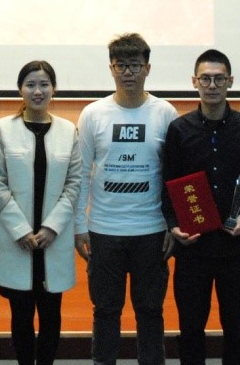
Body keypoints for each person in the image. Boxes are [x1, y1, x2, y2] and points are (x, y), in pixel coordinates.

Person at [75, 33, 179, 365]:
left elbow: (174, 175)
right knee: (106, 310)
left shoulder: (165, 112)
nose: (128, 72)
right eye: (121, 65)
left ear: (147, 68)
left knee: (150, 310)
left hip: (151, 230)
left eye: (135, 65)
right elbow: (80, 173)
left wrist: (172, 225)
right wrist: (79, 226)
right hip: (104, 230)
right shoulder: (93, 114)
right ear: (111, 69)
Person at [162, 49, 240, 365]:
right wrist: (173, 225)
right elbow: (167, 183)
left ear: (230, 81)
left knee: (237, 329)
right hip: (192, 248)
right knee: (191, 329)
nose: (212, 85)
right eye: (205, 79)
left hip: (235, 247)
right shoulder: (179, 130)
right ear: (194, 82)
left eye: (219, 79)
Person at [0, 60, 83, 365]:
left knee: (52, 314)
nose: (37, 91)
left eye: (44, 84)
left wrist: (52, 227)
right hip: (17, 241)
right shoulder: (4, 129)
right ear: (20, 90)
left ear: (54, 89)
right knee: (21, 315)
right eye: (30, 85)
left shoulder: (68, 130)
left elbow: (74, 183)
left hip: (53, 239)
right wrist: (20, 230)